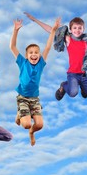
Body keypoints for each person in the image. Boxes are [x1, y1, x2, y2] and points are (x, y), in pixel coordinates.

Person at [24, 12, 87, 105]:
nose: (77, 30)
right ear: (71, 29)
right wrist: (34, 19)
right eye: (75, 28)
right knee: (72, 93)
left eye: (80, 28)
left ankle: (84, 88)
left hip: (85, 75)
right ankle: (64, 85)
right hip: (73, 74)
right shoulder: (68, 39)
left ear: (83, 29)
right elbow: (51, 30)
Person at [10, 17, 60, 146]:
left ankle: (31, 133)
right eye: (31, 53)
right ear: (27, 55)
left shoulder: (41, 63)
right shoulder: (22, 62)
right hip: (22, 97)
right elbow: (12, 47)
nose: (34, 54)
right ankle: (20, 113)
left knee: (39, 125)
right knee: (26, 124)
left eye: (36, 52)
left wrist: (53, 30)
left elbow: (48, 47)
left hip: (35, 99)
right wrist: (15, 30)